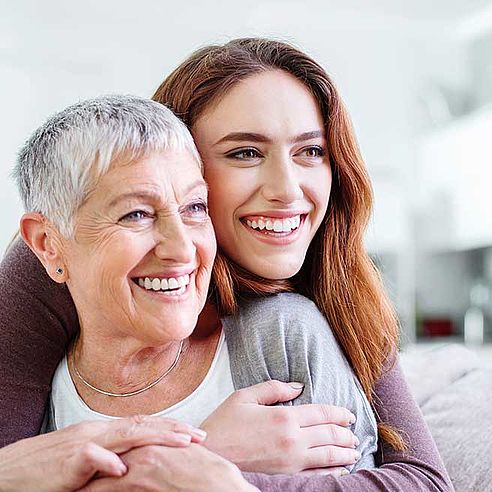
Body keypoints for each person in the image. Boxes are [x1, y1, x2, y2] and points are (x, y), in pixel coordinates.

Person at [0, 38, 453, 490]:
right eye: (245, 153)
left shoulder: (322, 296)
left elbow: (423, 480)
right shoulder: (53, 257)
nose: (287, 189)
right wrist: (198, 452)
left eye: (311, 151)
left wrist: (202, 472)